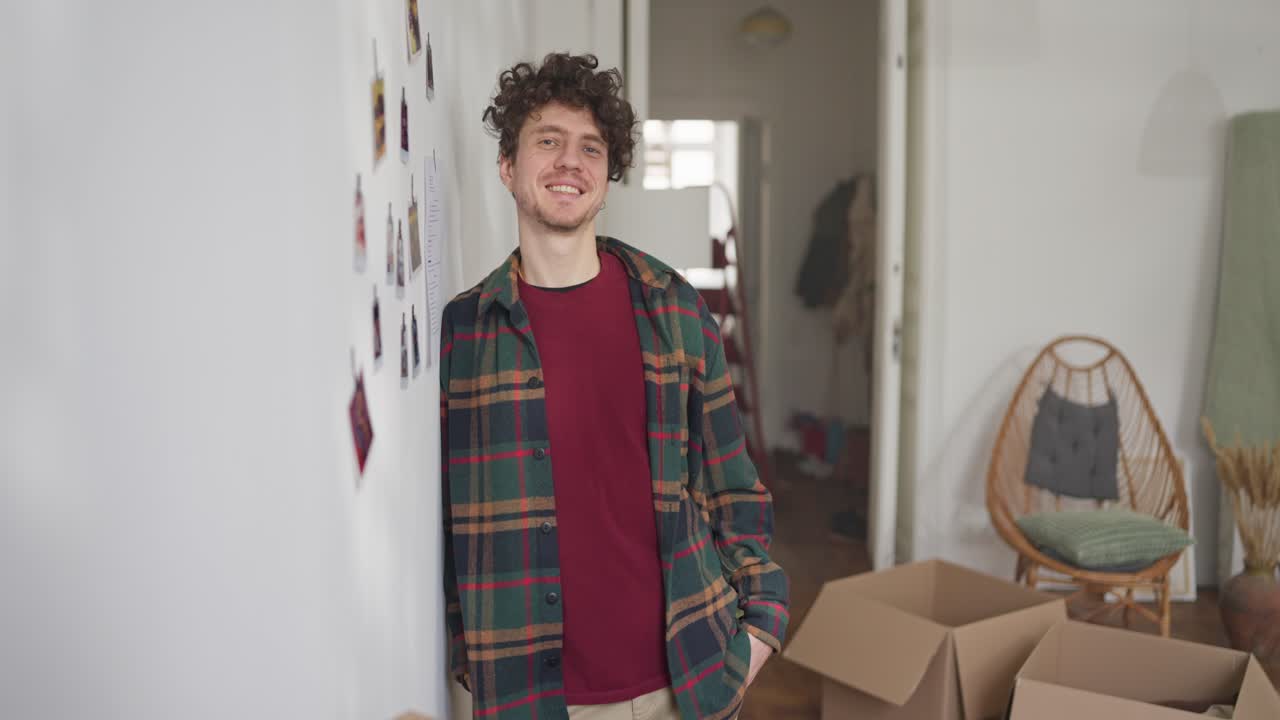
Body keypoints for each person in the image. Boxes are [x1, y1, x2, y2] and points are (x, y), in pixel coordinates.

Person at [439, 52, 789, 720]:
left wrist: (758, 632)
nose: (570, 162)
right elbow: (451, 526)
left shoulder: (675, 310)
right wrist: (470, 655)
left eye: (590, 148)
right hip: (532, 697)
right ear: (508, 168)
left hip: (686, 682)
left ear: (607, 177)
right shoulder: (467, 334)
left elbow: (735, 490)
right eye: (548, 142)